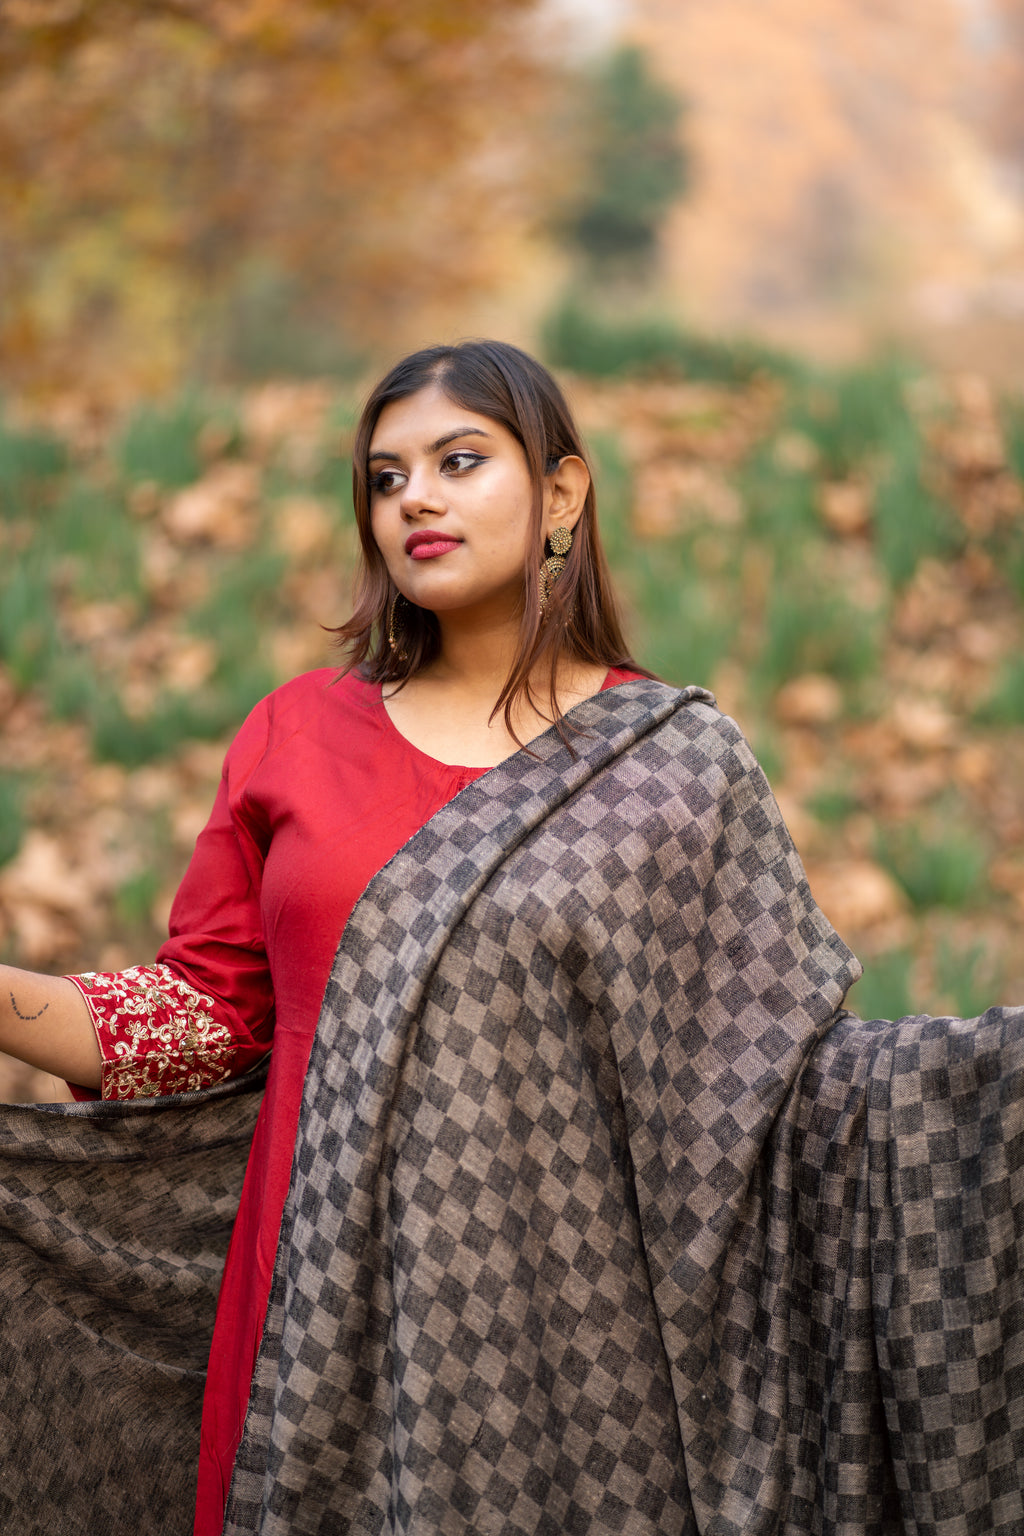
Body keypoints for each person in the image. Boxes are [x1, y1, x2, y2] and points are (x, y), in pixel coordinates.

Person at [1, 339, 1022, 1536]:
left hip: (578, 1370)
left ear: (562, 494)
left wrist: (989, 1083)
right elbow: (205, 1021)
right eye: (385, 479)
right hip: (314, 1317)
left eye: (459, 460)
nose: (414, 499)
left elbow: (784, 1099)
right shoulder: (297, 735)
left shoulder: (673, 768)